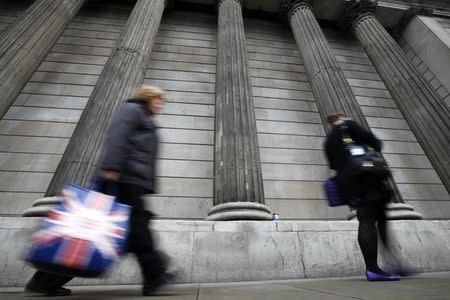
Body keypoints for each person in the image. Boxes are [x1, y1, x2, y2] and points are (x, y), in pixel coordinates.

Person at [25, 85, 173, 296]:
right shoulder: (132, 110)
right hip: (123, 179)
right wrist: (111, 168)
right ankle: (155, 274)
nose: (161, 105)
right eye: (159, 100)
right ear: (148, 98)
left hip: (130, 180)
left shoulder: (144, 117)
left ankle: (45, 280)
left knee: (124, 234)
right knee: (126, 231)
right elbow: (117, 137)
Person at [324, 112, 400, 281]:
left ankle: (388, 265)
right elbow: (375, 142)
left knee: (373, 219)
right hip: (367, 179)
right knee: (372, 220)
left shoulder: (328, 140)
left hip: (348, 185)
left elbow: (333, 164)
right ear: (341, 117)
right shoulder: (349, 125)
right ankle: (374, 268)